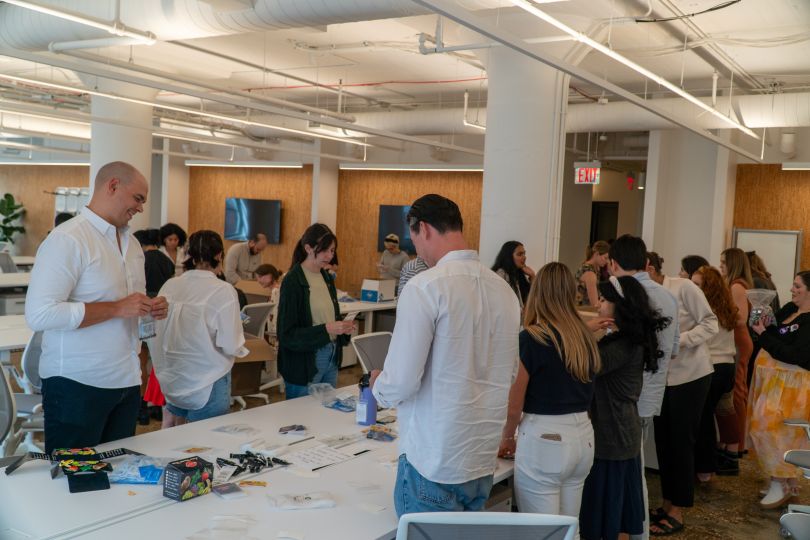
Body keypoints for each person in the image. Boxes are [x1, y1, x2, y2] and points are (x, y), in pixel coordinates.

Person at [370, 194, 520, 517]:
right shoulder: (504, 291)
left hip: (433, 461)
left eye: (413, 238)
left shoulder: (425, 287)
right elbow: (509, 373)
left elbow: (402, 381)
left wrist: (378, 386)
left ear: (423, 228)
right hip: (481, 460)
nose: (417, 250)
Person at [25, 161, 168, 454]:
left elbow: (129, 307)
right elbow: (40, 313)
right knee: (76, 483)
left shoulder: (133, 245)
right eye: (138, 198)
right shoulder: (68, 239)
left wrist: (148, 309)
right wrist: (117, 308)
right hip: (77, 384)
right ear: (113, 186)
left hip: (127, 381)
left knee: (118, 477)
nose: (141, 208)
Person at [498, 262, 600, 522]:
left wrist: (507, 438)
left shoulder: (532, 339)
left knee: (541, 531)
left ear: (537, 292)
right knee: (568, 527)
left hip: (545, 439)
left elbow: (514, 405)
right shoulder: (584, 336)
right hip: (583, 437)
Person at [580, 276, 669, 540]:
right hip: (618, 435)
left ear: (620, 306)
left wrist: (585, 330)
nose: (598, 305)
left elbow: (583, 362)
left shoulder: (622, 346)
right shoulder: (622, 341)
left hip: (613, 439)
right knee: (613, 516)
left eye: (605, 300)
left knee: (610, 518)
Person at [607, 235, 679, 540]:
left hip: (621, 395)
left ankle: (630, 530)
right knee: (634, 469)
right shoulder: (668, 296)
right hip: (650, 394)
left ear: (612, 263)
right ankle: (635, 530)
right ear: (646, 262)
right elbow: (673, 349)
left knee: (626, 472)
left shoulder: (619, 292)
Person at [646, 252, 718, 536]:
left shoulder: (684, 287)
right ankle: (666, 502)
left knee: (681, 443)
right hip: (662, 379)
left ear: (649, 267)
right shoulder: (645, 295)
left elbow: (710, 323)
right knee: (663, 442)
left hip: (692, 375)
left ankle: (678, 510)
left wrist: (679, 342)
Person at [150, 230, 247, 425]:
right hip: (208, 382)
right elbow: (230, 343)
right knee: (207, 445)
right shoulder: (224, 290)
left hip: (172, 379)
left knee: (177, 440)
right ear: (219, 255)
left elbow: (156, 331)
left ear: (188, 255)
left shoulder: (170, 285)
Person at [749, 270, 810, 508]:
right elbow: (776, 335)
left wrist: (764, 336)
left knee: (772, 431)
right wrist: (763, 324)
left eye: (797, 286)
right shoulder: (788, 309)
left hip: (795, 389)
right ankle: (784, 483)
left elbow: (796, 355)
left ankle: (782, 483)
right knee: (770, 430)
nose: (792, 289)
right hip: (776, 385)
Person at [277, 224, 354, 399]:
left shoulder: (326, 277)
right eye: (324, 250)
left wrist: (342, 327)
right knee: (302, 420)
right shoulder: (293, 281)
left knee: (326, 415)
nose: (329, 256)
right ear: (308, 248)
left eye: (332, 250)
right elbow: (287, 334)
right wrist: (326, 328)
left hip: (331, 355)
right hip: (305, 361)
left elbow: (327, 317)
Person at [690, 265, 739, 482]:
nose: (691, 288)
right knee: (709, 418)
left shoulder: (706, 310)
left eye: (696, 285)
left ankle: (704, 469)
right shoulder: (725, 307)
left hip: (712, 367)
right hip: (727, 367)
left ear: (707, 287)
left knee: (703, 421)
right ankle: (707, 468)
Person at [133, 228, 175, 426]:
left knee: (141, 362)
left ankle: (141, 409)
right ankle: (158, 406)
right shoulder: (167, 260)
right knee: (158, 362)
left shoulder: (139, 260)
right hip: (163, 313)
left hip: (143, 312)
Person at [715, 247, 753, 464]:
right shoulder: (735, 284)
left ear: (733, 263)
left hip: (738, 340)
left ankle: (737, 445)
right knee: (737, 391)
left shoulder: (737, 285)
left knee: (737, 393)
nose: (720, 265)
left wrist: (719, 310)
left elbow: (741, 318)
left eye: (723, 262)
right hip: (737, 340)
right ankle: (736, 443)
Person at [745, 250, 780, 387]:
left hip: (758, 336)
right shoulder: (766, 280)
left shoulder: (755, 282)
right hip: (766, 334)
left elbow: (757, 312)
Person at [491, 240, 535, 310]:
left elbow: (533, 299)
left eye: (524, 254)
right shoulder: (501, 275)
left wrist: (532, 276)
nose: (524, 257)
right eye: (520, 254)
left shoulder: (519, 274)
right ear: (508, 257)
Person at [134, 229, 175, 297]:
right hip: (164, 297)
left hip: (146, 297)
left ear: (141, 244)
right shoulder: (167, 259)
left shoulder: (142, 259)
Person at [577, 240, 610, 307]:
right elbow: (594, 304)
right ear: (597, 254)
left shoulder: (589, 268)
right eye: (605, 258)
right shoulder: (590, 274)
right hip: (585, 312)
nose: (607, 261)